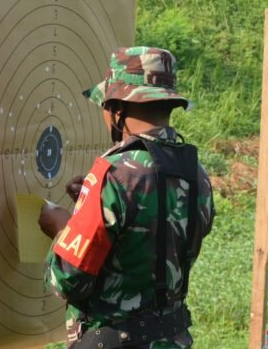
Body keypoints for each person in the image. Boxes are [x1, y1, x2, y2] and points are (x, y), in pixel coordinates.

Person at [38, 46, 215, 349]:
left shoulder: (113, 174)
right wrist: (96, 209)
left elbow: (67, 280)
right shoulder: (197, 173)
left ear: (117, 109)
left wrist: (62, 228)